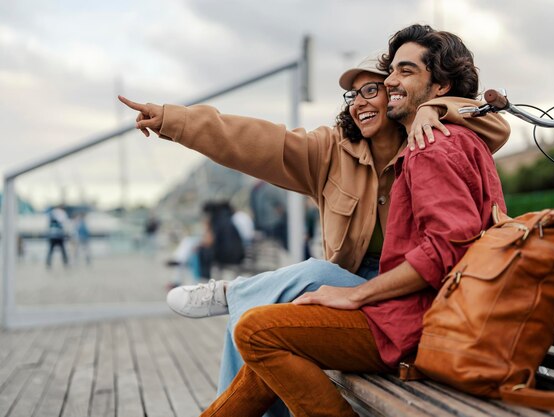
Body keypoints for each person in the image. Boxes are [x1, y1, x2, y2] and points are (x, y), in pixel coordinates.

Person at [118, 40, 509, 417]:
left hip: (413, 302)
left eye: (373, 87)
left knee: (293, 289)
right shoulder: (333, 152)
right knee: (258, 319)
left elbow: (494, 127)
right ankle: (242, 298)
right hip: (371, 291)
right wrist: (175, 120)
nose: (361, 101)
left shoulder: (432, 141)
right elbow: (254, 141)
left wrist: (435, 108)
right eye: (353, 95)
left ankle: (235, 291)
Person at [46, 204, 69, 268]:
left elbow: (48, 224)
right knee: (63, 250)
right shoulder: (62, 213)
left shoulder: (51, 213)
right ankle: (65, 263)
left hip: (52, 235)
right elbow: (64, 223)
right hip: (59, 235)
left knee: (51, 250)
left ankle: (48, 263)